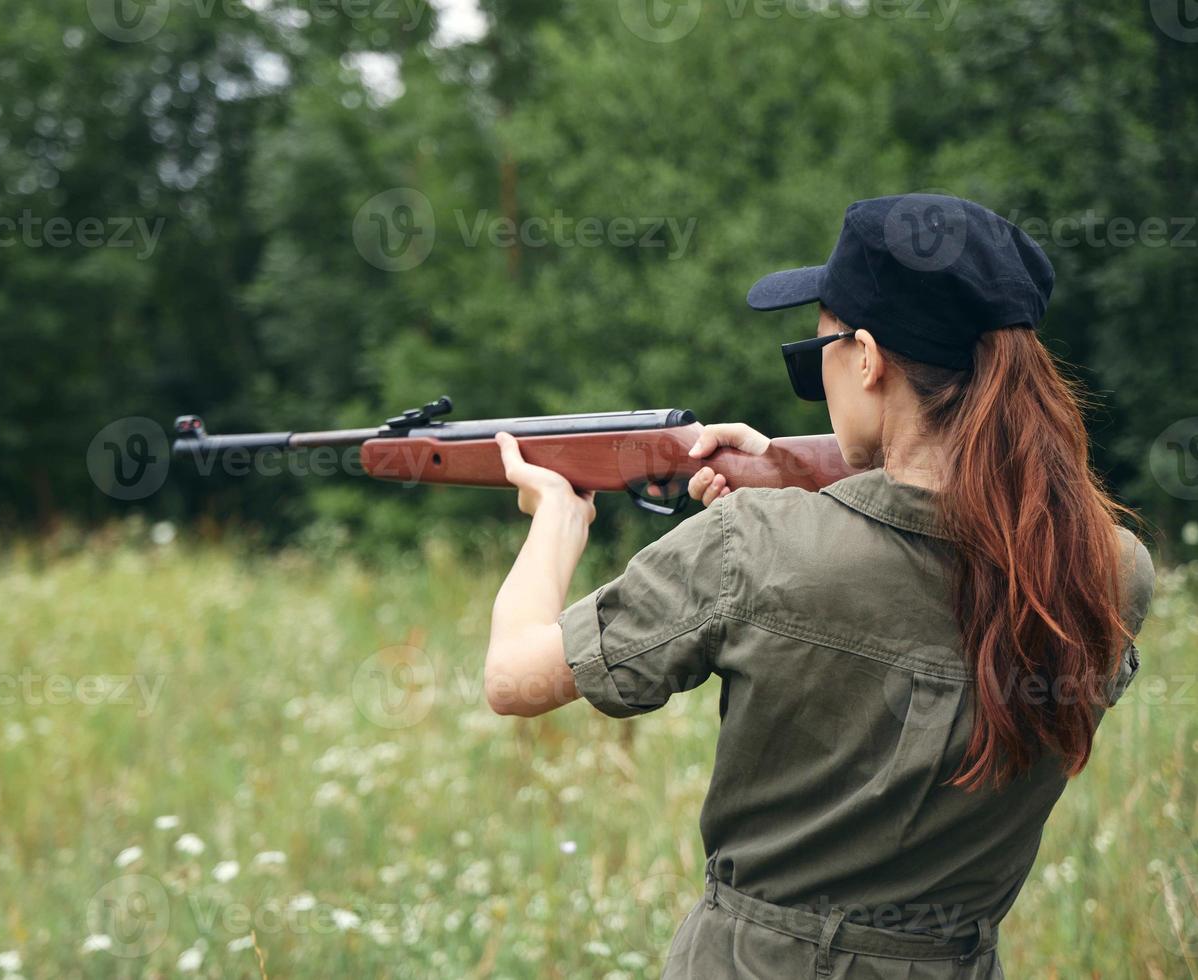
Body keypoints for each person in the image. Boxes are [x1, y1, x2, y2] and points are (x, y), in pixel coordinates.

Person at [483, 194, 1154, 979]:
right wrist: (792, 476)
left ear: (867, 357)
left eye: (817, 352)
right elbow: (936, 523)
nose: (819, 370)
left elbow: (512, 678)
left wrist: (556, 520)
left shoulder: (752, 547)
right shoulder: (1106, 568)